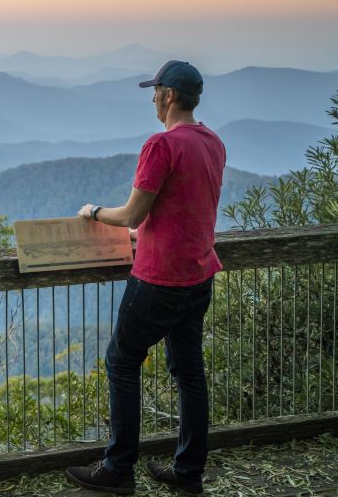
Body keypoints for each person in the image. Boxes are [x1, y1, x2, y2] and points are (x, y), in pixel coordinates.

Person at [65, 60, 226, 495]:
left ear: (169, 96)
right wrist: (147, 230)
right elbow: (185, 207)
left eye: (155, 91)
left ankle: (118, 469)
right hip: (199, 275)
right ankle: (187, 473)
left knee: (121, 362)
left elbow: (133, 212)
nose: (152, 99)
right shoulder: (212, 142)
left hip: (159, 279)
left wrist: (93, 212)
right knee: (190, 373)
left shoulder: (162, 145)